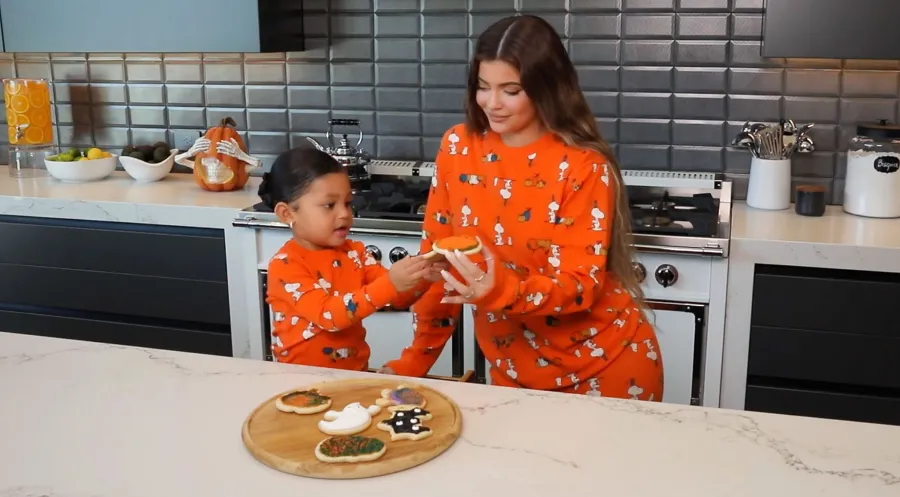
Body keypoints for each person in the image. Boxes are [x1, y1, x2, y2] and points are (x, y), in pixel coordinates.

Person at [381, 14, 664, 401]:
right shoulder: (458, 147)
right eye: (483, 87)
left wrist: (498, 290)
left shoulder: (583, 166)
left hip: (604, 370)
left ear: (546, 88)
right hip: (511, 371)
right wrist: (416, 360)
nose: (491, 103)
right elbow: (439, 267)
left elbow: (579, 287)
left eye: (510, 90)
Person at [263, 147, 443, 370]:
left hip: (355, 375)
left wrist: (423, 276)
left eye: (347, 203)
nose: (344, 214)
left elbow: (397, 298)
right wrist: (391, 283)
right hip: (299, 379)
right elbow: (328, 316)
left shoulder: (355, 253)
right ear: (288, 214)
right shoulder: (285, 265)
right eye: (329, 205)